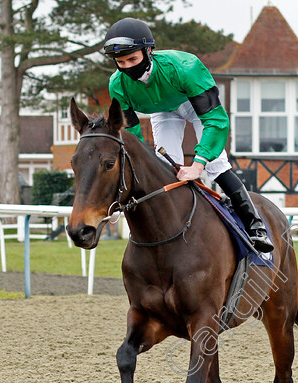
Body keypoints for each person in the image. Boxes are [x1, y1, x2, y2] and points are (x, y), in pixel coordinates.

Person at [102, 18, 273, 253]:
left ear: (149, 50)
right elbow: (131, 135)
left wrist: (198, 164)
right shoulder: (117, 84)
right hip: (162, 111)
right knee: (164, 166)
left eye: (133, 59)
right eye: (120, 62)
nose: (128, 67)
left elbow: (216, 121)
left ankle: (255, 225)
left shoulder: (186, 66)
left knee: (215, 163)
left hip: (192, 103)